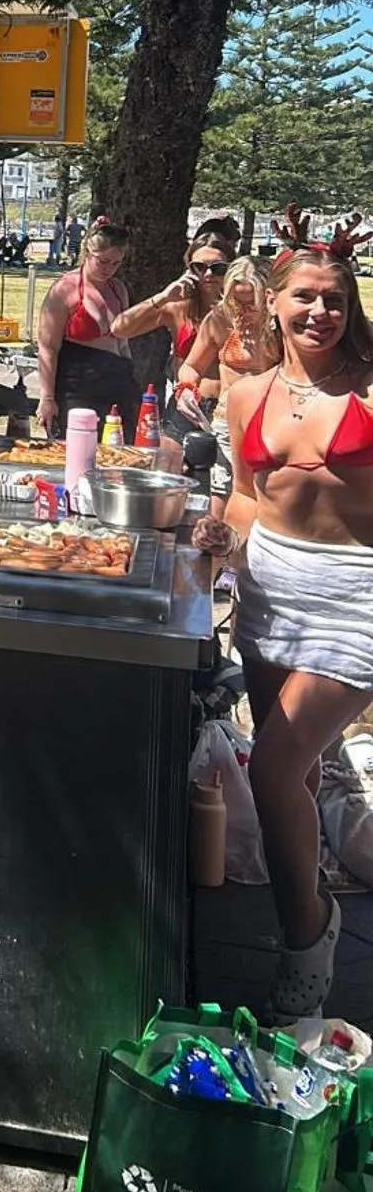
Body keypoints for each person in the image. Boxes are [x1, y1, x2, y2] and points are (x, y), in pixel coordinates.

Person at [207, 218, 373, 1018]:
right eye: (304, 298)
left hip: (354, 595)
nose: (319, 312)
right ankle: (298, 906)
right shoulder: (247, 393)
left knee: (270, 766)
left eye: (334, 299)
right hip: (270, 590)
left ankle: (308, 937)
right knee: (295, 772)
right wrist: (221, 530)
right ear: (274, 305)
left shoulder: (371, 386)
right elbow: (247, 492)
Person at [109, 231, 234, 447]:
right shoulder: (178, 307)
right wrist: (163, 296)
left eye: (218, 268)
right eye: (199, 267)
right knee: (172, 470)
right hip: (186, 404)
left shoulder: (241, 310)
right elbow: (119, 328)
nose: (208, 274)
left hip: (228, 407)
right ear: (189, 269)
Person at [174, 257, 270, 515]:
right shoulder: (219, 318)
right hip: (227, 423)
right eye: (236, 300)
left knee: (265, 500)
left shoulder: (281, 326)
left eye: (251, 302)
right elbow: (191, 366)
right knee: (222, 497)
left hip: (271, 423)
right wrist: (185, 389)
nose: (243, 309)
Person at [37, 218, 139, 440]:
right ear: (87, 253)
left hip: (115, 379)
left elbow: (123, 342)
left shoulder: (118, 289)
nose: (108, 269)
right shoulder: (65, 288)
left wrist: (130, 378)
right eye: (102, 261)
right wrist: (47, 398)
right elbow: (48, 347)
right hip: (76, 384)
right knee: (78, 449)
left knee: (122, 449)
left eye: (115, 263)